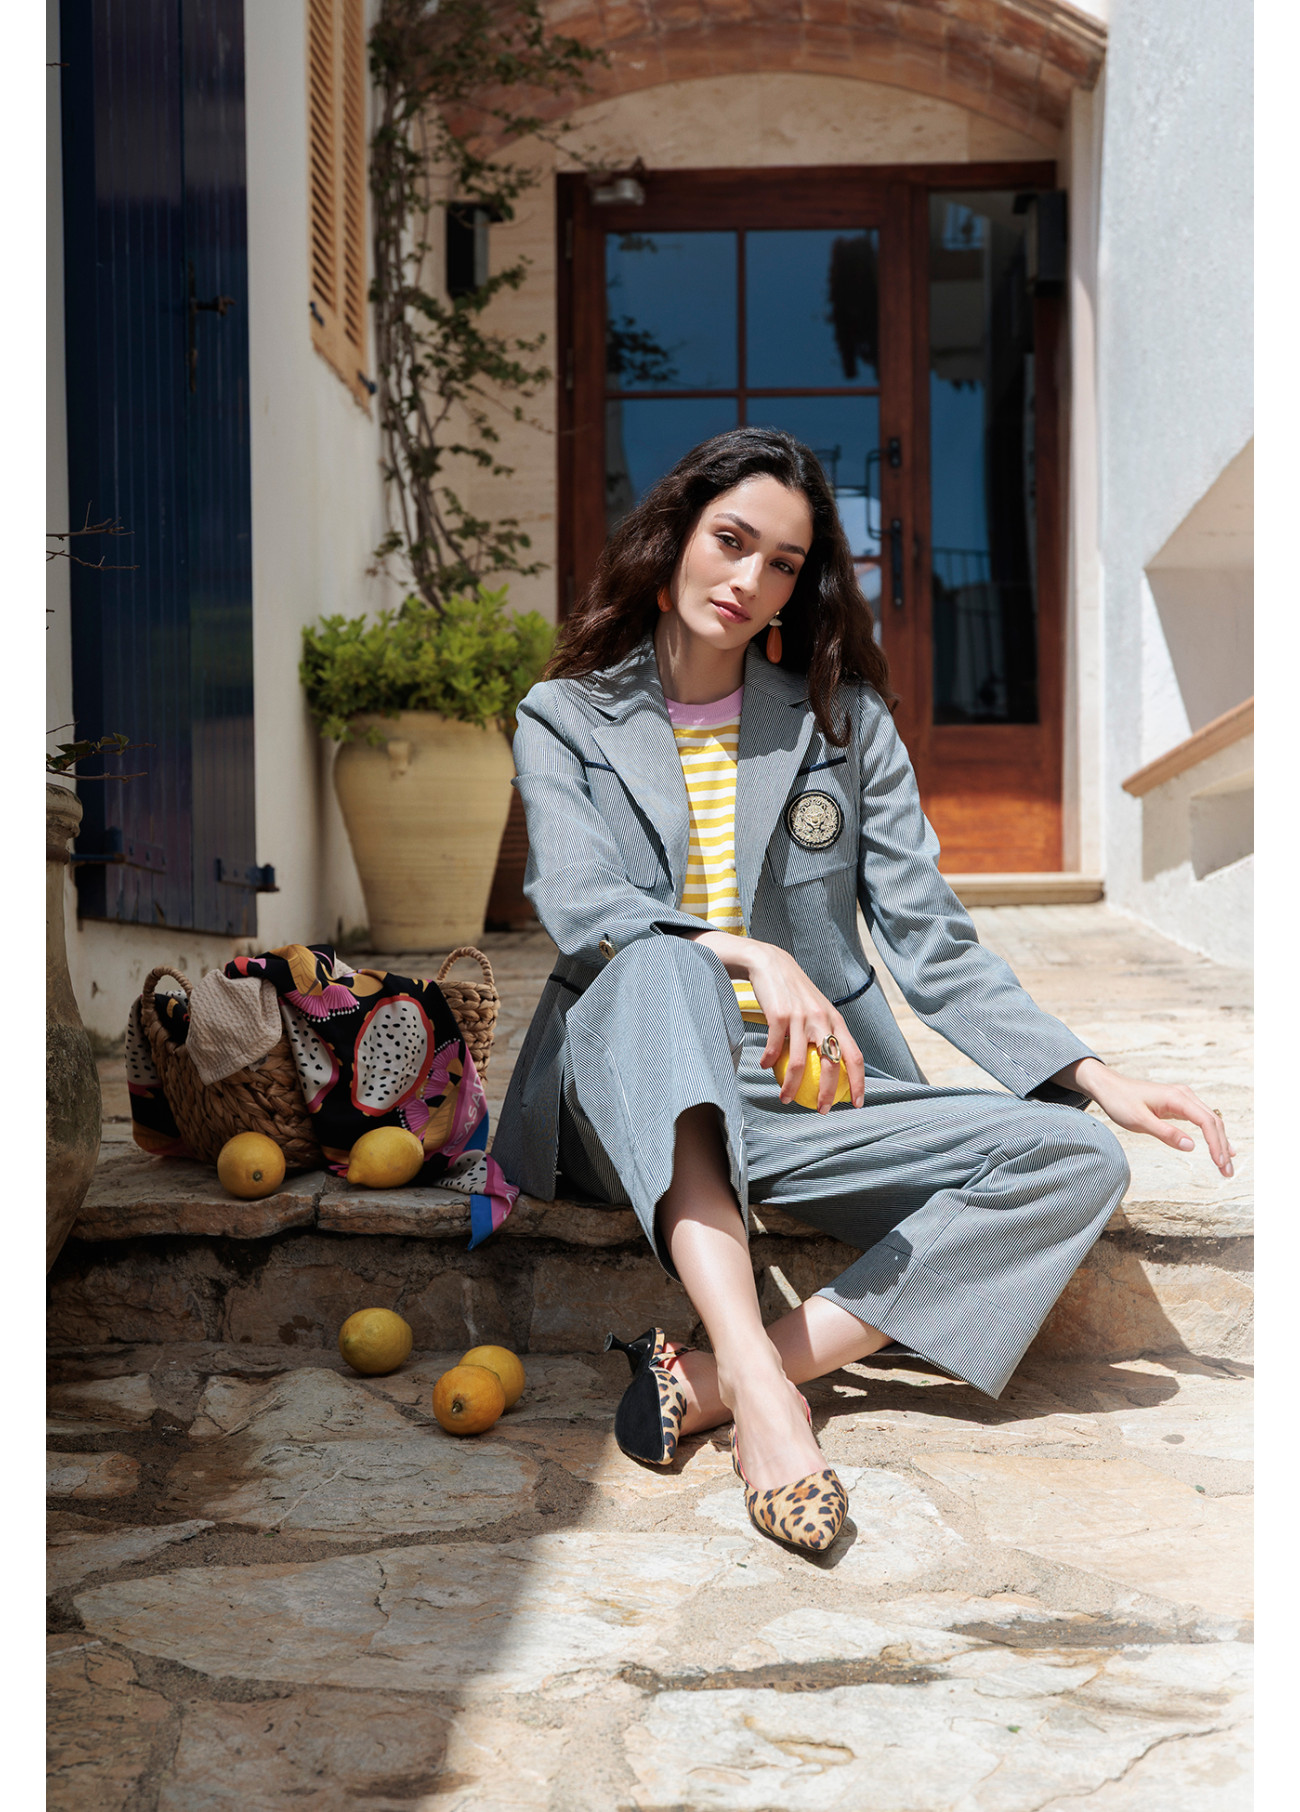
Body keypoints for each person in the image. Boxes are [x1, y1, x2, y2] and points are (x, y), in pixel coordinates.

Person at [493, 427, 1235, 1555]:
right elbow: (584, 901)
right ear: (676, 535)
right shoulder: (566, 715)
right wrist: (753, 954)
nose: (748, 579)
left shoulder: (842, 725)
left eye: (782, 563)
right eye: (731, 541)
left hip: (795, 1094)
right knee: (659, 964)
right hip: (626, 1093)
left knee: (1076, 1159)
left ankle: (722, 1375)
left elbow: (930, 938)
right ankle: (769, 1403)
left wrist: (1091, 1074)